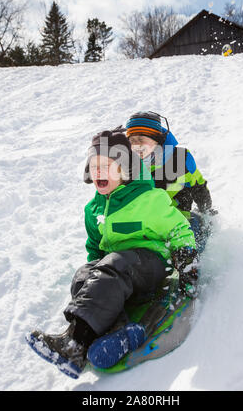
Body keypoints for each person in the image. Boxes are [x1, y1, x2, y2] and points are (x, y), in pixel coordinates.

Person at [27, 130, 198, 375]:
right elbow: (95, 249)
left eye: (106, 166)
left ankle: (75, 343)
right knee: (83, 275)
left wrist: (188, 267)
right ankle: (119, 332)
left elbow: (180, 229)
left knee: (115, 262)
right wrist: (92, 277)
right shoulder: (93, 209)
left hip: (151, 264)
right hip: (118, 271)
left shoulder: (148, 200)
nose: (98, 172)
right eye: (94, 166)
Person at [125, 111, 217, 255]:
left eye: (141, 139)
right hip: (144, 227)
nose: (136, 145)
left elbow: (198, 186)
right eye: (132, 140)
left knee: (191, 243)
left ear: (156, 139)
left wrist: (206, 211)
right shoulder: (126, 166)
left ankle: (193, 270)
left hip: (180, 222)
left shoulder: (180, 159)